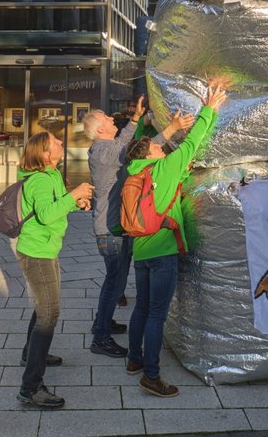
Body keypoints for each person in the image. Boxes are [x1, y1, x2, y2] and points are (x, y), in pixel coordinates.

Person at [125, 80, 227, 399]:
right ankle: (152, 376)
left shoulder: (135, 173)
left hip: (140, 250)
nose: (162, 146)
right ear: (151, 152)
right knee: (157, 314)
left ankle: (134, 360)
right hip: (162, 250)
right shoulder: (163, 168)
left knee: (141, 308)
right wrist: (209, 109)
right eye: (157, 146)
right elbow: (192, 143)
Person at [82, 97, 193, 360]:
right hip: (111, 232)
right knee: (115, 283)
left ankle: (104, 322)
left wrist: (134, 120)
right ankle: (101, 336)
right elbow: (139, 148)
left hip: (116, 229)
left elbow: (125, 143)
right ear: (100, 130)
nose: (113, 119)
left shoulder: (107, 147)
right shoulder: (103, 151)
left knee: (115, 282)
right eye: (108, 119)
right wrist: (173, 128)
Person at [14, 132, 93, 409]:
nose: (61, 142)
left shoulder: (53, 175)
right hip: (37, 253)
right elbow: (46, 215)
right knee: (49, 314)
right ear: (45, 154)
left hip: (46, 249)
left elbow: (55, 208)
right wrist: (75, 195)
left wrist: (76, 202)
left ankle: (30, 354)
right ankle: (30, 388)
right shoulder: (39, 180)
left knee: (43, 308)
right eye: (56, 142)